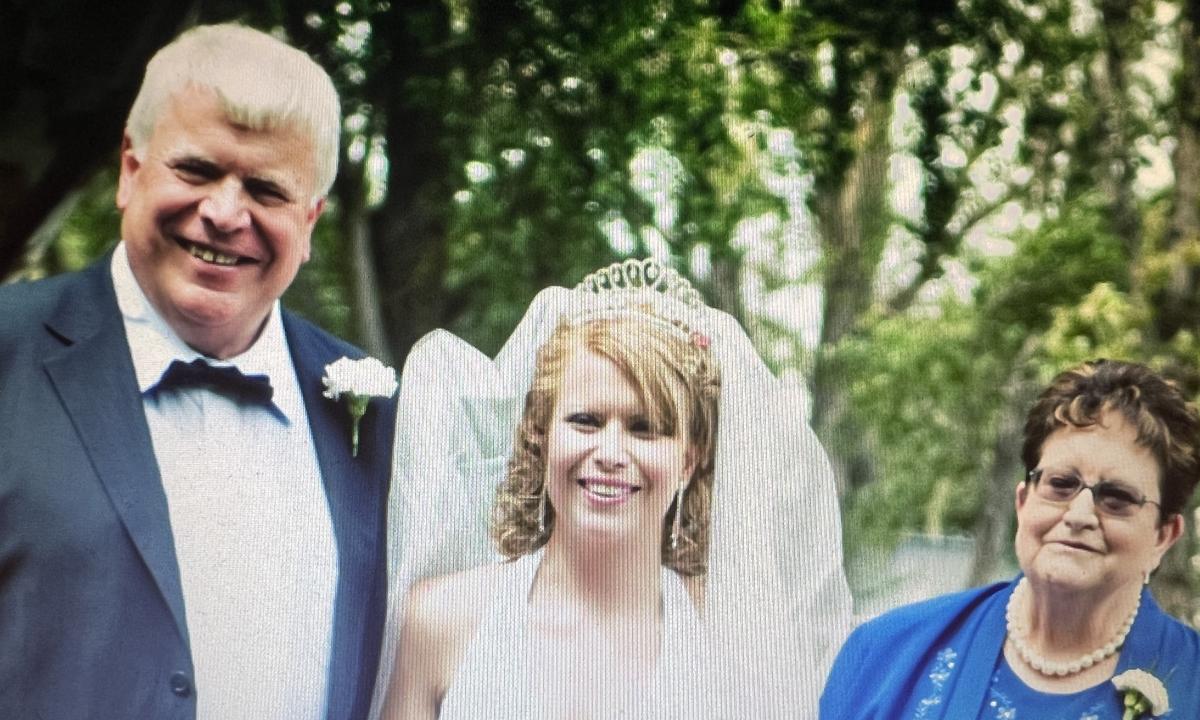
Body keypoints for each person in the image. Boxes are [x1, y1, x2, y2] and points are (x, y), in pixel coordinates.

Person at [0, 23, 395, 720]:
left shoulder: (375, 407)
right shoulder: (8, 348)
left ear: (310, 220)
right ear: (130, 170)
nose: (222, 213)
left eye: (266, 190)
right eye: (196, 170)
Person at [375, 259, 852, 719]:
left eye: (645, 428)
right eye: (585, 420)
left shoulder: (738, 643)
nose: (610, 452)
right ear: (540, 433)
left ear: (690, 459)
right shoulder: (440, 620)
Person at [820, 359, 1200, 719]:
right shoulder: (883, 655)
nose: (1079, 514)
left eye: (1116, 497)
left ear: (1164, 536)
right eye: (1060, 484)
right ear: (1023, 501)